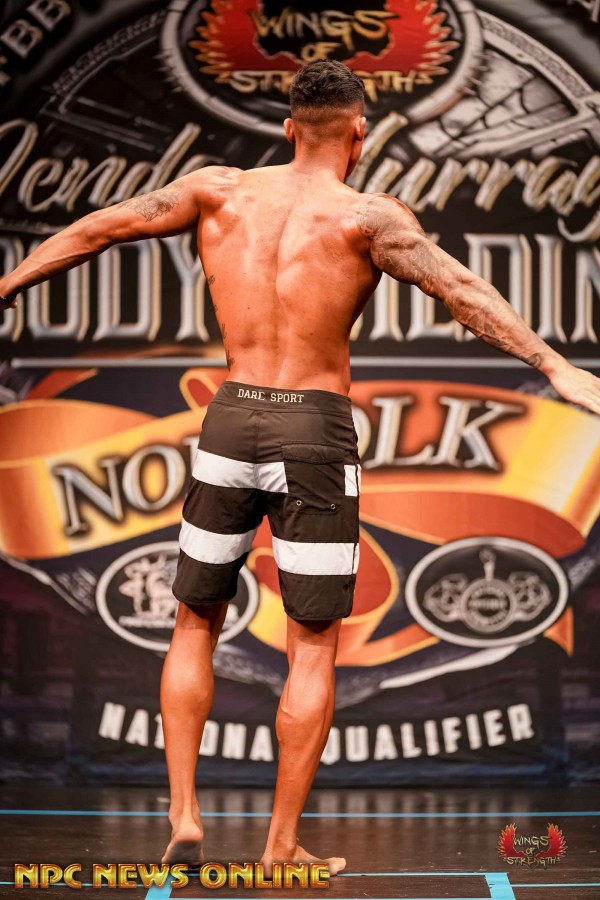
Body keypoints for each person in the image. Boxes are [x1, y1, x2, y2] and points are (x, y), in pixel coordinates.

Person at [1, 59, 598, 875]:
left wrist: (8, 283)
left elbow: (97, 228)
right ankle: (280, 843)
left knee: (194, 622)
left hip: (231, 418)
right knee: (312, 644)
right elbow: (461, 290)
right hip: (313, 430)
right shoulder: (369, 218)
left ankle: (183, 813)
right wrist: (552, 364)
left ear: (288, 128)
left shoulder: (217, 191)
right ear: (360, 132)